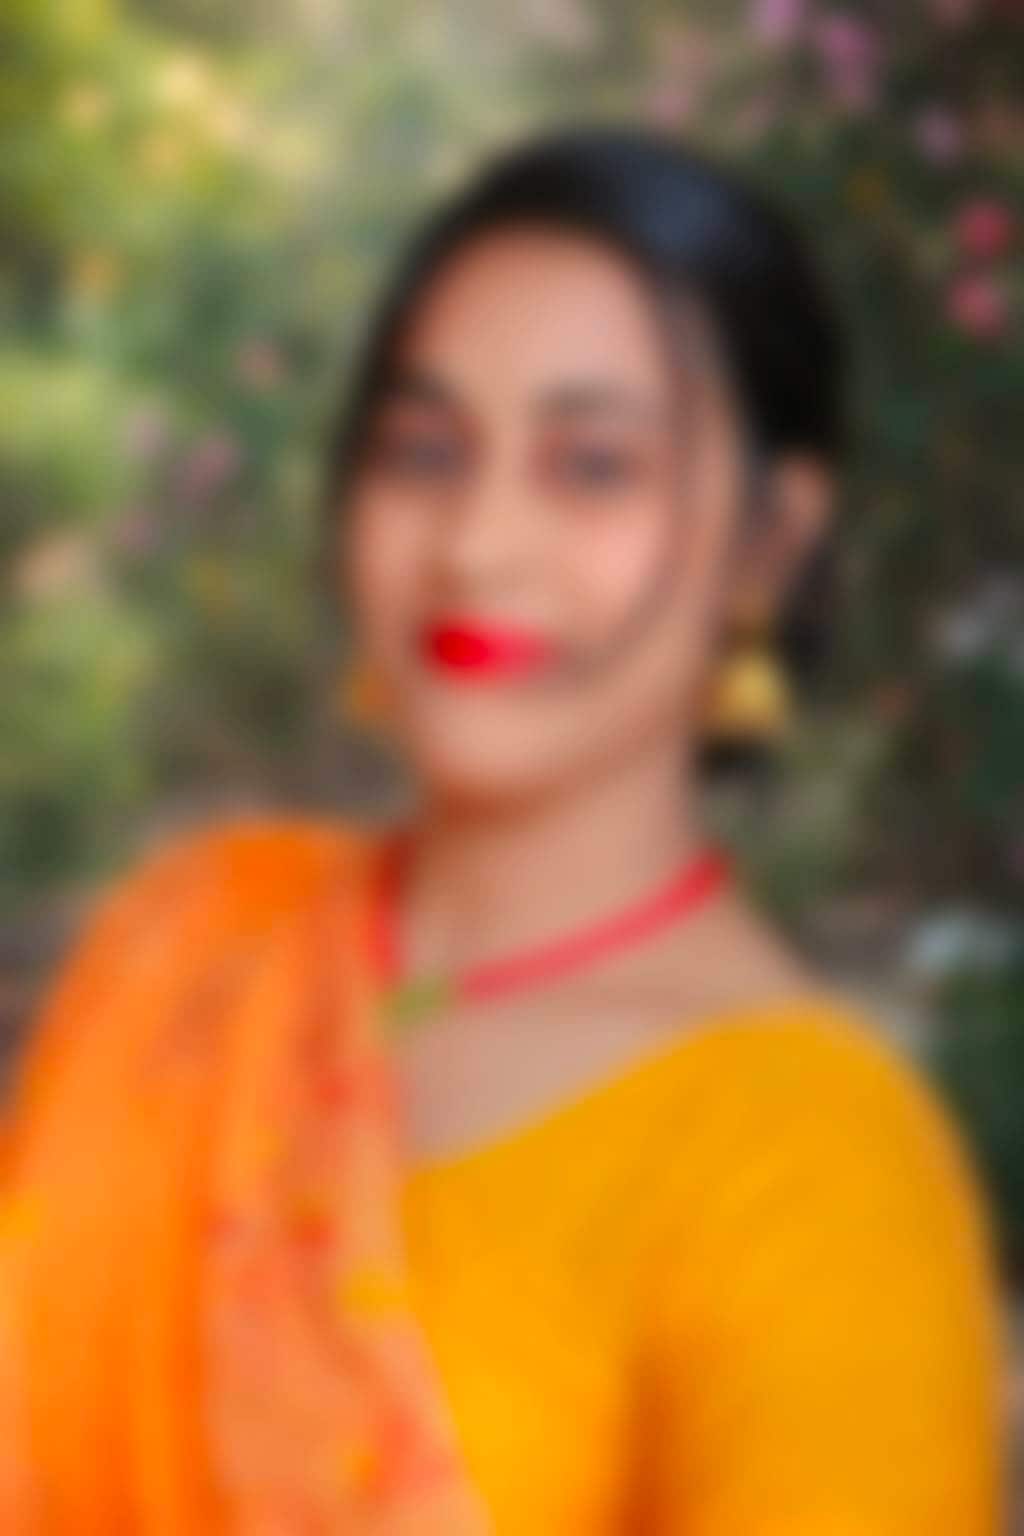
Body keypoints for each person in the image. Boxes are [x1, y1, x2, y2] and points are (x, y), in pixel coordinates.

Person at [0, 125, 1006, 1534]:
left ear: (768, 543)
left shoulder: (814, 1169)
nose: (476, 544)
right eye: (424, 453)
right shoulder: (195, 950)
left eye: (591, 467)